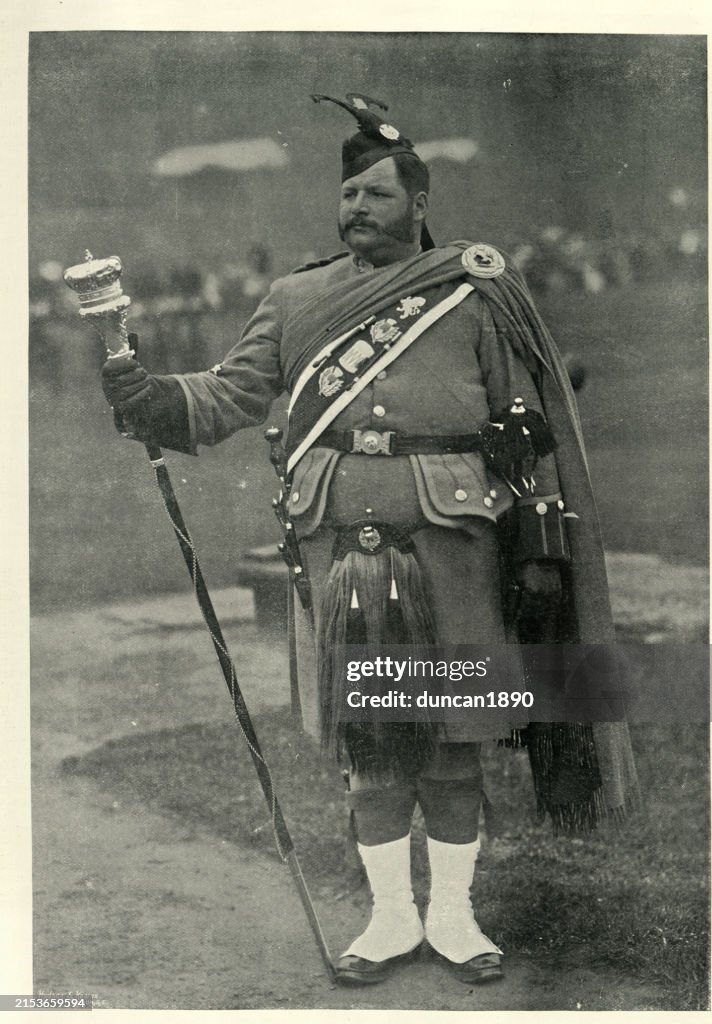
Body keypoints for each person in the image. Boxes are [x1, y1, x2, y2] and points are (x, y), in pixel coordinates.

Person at [101, 93, 638, 987]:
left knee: (454, 743)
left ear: (419, 204)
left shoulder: (475, 292)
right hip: (338, 550)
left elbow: (529, 423)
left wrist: (541, 551)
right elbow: (231, 395)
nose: (356, 208)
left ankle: (456, 919)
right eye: (349, 194)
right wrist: (151, 396)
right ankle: (391, 920)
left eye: (377, 195)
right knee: (373, 744)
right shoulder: (295, 297)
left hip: (458, 550)